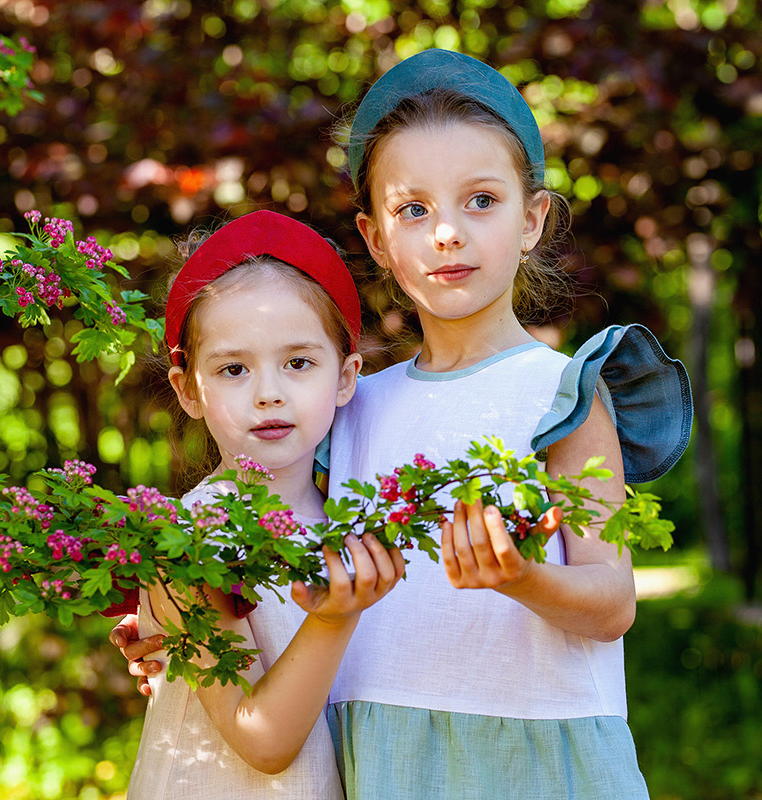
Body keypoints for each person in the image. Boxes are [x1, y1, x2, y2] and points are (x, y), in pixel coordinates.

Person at [114, 50, 692, 800]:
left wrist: (520, 577)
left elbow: (612, 601)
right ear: (378, 238)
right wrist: (170, 621)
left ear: (533, 218)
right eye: (413, 209)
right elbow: (272, 543)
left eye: (481, 200)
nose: (446, 233)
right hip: (380, 759)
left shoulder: (562, 393)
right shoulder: (352, 408)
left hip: (537, 756)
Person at [125, 209, 405, 799]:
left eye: (298, 362)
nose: (269, 392)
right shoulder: (193, 538)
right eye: (233, 369)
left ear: (347, 376)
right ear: (188, 389)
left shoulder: (349, 517)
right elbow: (263, 741)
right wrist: (332, 615)